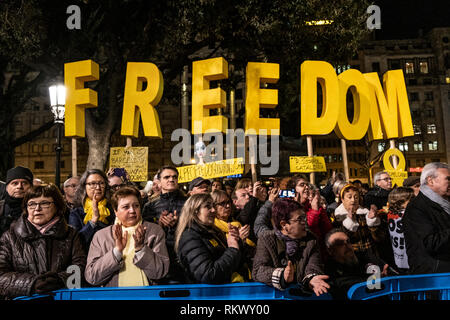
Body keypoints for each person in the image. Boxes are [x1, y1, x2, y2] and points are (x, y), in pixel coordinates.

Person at [0, 184, 86, 299]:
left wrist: (59, 279)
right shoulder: (10, 237)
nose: (37, 208)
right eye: (31, 204)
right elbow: (1, 276)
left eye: (44, 203)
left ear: (57, 206)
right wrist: (31, 283)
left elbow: (80, 267)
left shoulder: (71, 234)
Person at [85, 186, 169, 287]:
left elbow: (160, 272)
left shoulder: (154, 231)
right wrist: (116, 252)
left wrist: (141, 249)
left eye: (136, 206)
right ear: (115, 211)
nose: (132, 210)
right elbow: (92, 277)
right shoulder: (101, 236)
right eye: (126, 207)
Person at [252, 198, 330, 296]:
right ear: (284, 224)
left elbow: (314, 265)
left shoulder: (311, 239)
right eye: (300, 219)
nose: (305, 222)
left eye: (304, 217)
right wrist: (282, 276)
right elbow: (258, 270)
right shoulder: (266, 239)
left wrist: (311, 278)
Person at [175, 194, 250, 284]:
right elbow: (208, 275)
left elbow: (231, 261)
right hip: (209, 296)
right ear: (195, 211)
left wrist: (237, 242)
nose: (214, 210)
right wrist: (233, 248)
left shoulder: (212, 232)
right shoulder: (190, 238)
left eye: (213, 206)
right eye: (208, 206)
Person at [403, 162, 450, 273]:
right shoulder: (416, 208)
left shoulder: (444, 202)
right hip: (433, 277)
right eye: (448, 179)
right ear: (431, 181)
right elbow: (431, 243)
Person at [142, 166, 186, 283]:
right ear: (160, 182)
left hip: (184, 254)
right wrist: (159, 224)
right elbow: (145, 231)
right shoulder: (150, 206)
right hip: (160, 254)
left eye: (174, 177)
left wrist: (180, 223)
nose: (171, 179)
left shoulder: (188, 202)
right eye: (167, 177)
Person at [324, 229, 389, 300]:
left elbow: (385, 268)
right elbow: (345, 286)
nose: (346, 245)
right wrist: (377, 280)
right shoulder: (330, 270)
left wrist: (386, 273)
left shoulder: (365, 256)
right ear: (330, 250)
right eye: (340, 243)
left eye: (348, 241)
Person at [333, 184, 386, 260]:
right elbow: (341, 240)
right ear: (342, 199)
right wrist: (349, 222)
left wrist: (372, 222)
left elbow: (379, 238)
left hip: (370, 254)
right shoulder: (338, 216)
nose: (353, 200)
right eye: (349, 197)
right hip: (351, 256)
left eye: (356, 197)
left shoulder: (365, 213)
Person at [68, 169, 116, 248]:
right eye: (93, 184)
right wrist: (93, 220)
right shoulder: (76, 213)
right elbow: (75, 242)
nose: (98, 187)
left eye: (101, 183)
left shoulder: (113, 208)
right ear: (84, 187)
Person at [292, 175, 333, 259]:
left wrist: (317, 209)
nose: (306, 187)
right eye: (302, 185)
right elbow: (305, 229)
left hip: (320, 253)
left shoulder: (316, 206)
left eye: (307, 184)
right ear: (294, 189)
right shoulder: (289, 208)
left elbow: (328, 229)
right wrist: (314, 211)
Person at [212, 190, 256, 266]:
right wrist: (239, 241)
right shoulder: (214, 229)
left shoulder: (236, 222)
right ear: (213, 207)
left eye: (228, 202)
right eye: (222, 203)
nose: (228, 206)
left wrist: (244, 241)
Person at [387, 187, 415, 273]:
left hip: (398, 257)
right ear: (401, 202)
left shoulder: (390, 214)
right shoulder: (409, 215)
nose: (414, 201)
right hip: (410, 258)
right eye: (411, 199)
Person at [0, 166, 33, 236]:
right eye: (15, 183)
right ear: (6, 187)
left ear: (31, 186)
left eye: (24, 183)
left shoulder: (38, 208)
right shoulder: (1, 208)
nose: (19, 187)